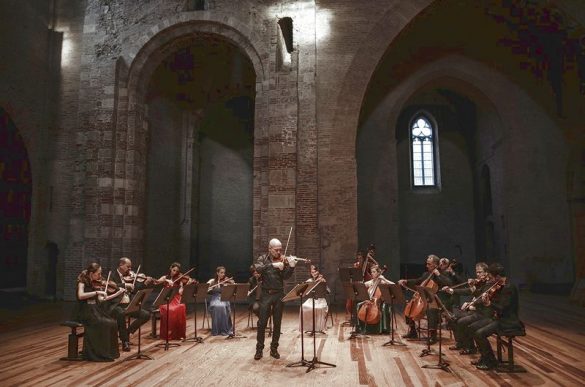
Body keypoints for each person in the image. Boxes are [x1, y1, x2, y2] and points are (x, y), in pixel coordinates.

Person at [469, 263, 524, 370]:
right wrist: (486, 299)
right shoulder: (501, 286)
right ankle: (484, 357)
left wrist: (489, 303)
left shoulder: (509, 288)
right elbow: (497, 302)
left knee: (480, 333)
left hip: (508, 321)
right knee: (472, 327)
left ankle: (490, 361)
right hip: (499, 318)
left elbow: (503, 308)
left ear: (498, 277)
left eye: (491, 277)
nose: (490, 280)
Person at [253, 238, 296, 360]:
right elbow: (258, 269)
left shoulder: (283, 260)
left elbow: (286, 276)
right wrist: (273, 265)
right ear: (270, 249)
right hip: (266, 294)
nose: (279, 252)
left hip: (279, 294)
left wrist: (291, 267)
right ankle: (259, 349)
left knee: (277, 323)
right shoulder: (262, 259)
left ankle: (274, 349)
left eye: (280, 250)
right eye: (276, 250)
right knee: (262, 323)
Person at [75, 262, 125, 361]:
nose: (100, 276)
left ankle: (109, 353)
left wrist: (118, 293)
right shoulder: (82, 282)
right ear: (91, 273)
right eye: (98, 273)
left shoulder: (96, 284)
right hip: (84, 311)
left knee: (112, 323)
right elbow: (81, 295)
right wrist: (97, 292)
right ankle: (96, 353)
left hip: (94, 310)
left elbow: (102, 299)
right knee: (104, 323)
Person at [398, 254, 453, 344]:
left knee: (431, 309)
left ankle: (433, 336)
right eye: (426, 264)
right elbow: (418, 281)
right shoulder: (426, 274)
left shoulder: (443, 273)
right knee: (410, 305)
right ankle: (412, 331)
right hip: (425, 299)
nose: (426, 266)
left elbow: (449, 283)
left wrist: (438, 275)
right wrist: (406, 281)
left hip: (439, 300)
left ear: (435, 265)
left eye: (429, 264)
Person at [442, 262, 492, 354]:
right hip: (476, 310)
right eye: (477, 272)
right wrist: (452, 290)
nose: (478, 274)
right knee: (452, 318)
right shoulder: (480, 283)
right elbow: (468, 291)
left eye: (480, 272)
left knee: (462, 321)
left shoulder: (488, 284)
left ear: (486, 273)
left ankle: (470, 347)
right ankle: (461, 343)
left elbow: (482, 298)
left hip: (482, 312)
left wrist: (472, 304)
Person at [108, 257, 153, 351]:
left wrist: (145, 283)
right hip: (116, 305)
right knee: (121, 313)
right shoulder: (111, 275)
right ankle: (125, 341)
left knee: (146, 315)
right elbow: (110, 285)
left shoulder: (129, 277)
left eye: (130, 267)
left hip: (128, 304)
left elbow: (135, 290)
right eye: (128, 267)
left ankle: (127, 332)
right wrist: (124, 285)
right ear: (121, 265)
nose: (130, 269)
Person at [156, 262, 196, 340]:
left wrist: (188, 282)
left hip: (176, 298)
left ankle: (178, 334)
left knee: (181, 307)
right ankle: (168, 334)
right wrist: (165, 280)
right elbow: (156, 282)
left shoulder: (180, 278)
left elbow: (183, 287)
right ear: (171, 268)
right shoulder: (165, 277)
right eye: (174, 270)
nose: (175, 272)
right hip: (166, 299)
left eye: (177, 271)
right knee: (169, 309)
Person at [356, 264, 393, 334]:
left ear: (378, 273)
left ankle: (382, 328)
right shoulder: (371, 282)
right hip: (369, 301)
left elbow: (393, 285)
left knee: (384, 307)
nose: (372, 273)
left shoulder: (382, 281)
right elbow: (363, 285)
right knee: (358, 305)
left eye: (374, 272)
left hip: (379, 302)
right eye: (371, 272)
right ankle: (360, 327)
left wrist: (384, 279)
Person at [300, 265, 329, 333]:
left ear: (318, 272)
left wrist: (322, 281)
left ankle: (319, 327)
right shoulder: (309, 280)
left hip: (320, 299)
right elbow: (305, 291)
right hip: (311, 299)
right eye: (312, 272)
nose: (314, 274)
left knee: (320, 308)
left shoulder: (322, 280)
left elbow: (327, 291)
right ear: (311, 273)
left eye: (315, 272)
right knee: (303, 307)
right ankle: (309, 327)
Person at [206, 266, 235, 336]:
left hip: (224, 298)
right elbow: (206, 289)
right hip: (215, 298)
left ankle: (224, 329)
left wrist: (230, 284)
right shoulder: (212, 281)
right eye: (221, 273)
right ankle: (216, 329)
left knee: (222, 306)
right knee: (216, 306)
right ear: (217, 273)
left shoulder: (226, 280)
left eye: (224, 273)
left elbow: (234, 286)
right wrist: (210, 288)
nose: (223, 274)